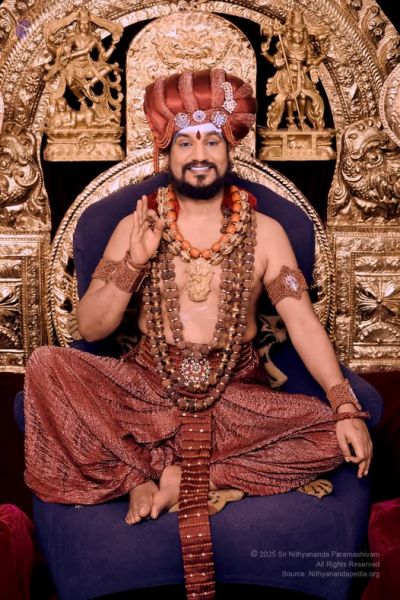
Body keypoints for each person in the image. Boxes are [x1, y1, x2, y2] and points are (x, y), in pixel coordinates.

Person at [24, 68, 372, 600]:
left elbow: (302, 321)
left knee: (331, 435)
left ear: (231, 148)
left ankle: (184, 475)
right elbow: (91, 328)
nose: (199, 154)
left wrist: (344, 404)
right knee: (46, 365)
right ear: (166, 151)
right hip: (148, 390)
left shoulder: (267, 233)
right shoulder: (136, 225)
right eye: (185, 142)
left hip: (234, 396)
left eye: (212, 140)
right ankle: (140, 475)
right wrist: (134, 262)